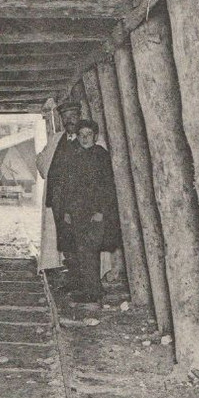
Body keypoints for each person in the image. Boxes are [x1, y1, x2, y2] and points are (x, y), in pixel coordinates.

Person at [61, 118, 121, 303]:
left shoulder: (101, 156)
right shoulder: (74, 156)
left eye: (88, 135)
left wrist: (101, 211)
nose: (85, 138)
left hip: (95, 212)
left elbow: (107, 187)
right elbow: (68, 187)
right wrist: (68, 211)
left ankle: (93, 292)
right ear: (77, 137)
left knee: (90, 250)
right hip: (78, 211)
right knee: (81, 250)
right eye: (81, 135)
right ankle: (87, 289)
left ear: (95, 136)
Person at [35, 98, 81, 280]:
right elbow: (41, 159)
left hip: (79, 200)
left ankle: (79, 275)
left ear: (80, 117)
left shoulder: (88, 138)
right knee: (59, 233)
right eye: (66, 117)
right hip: (58, 197)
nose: (69, 120)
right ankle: (62, 267)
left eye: (73, 116)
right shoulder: (56, 139)